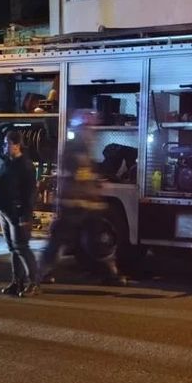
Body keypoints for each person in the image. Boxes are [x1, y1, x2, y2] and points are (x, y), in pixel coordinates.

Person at [40, 111, 123, 285]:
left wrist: (96, 196)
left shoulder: (84, 149)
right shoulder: (72, 150)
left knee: (99, 240)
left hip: (87, 206)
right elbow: (73, 179)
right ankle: (41, 273)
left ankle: (111, 275)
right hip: (72, 206)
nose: (90, 132)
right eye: (87, 128)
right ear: (79, 129)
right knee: (58, 240)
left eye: (91, 128)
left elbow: (88, 177)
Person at [0, 130, 41, 297]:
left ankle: (34, 283)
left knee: (22, 247)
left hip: (17, 213)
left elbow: (30, 193)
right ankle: (17, 282)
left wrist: (24, 215)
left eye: (8, 143)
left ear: (16, 145)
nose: (5, 146)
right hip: (5, 212)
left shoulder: (25, 166)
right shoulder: (7, 163)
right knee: (13, 248)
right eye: (5, 143)